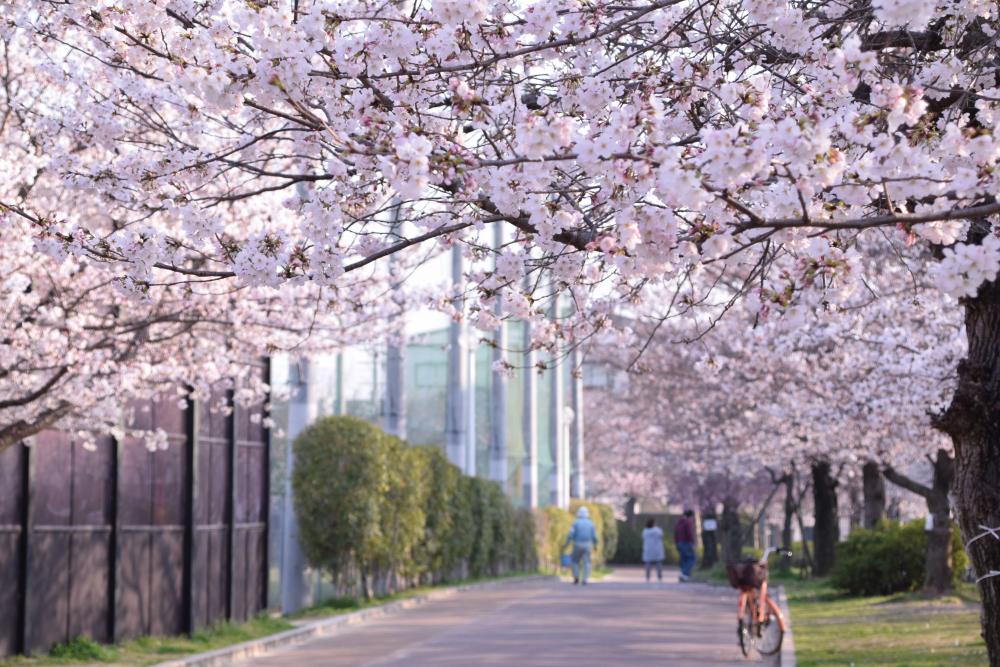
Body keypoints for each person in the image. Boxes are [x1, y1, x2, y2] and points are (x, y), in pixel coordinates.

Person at [564, 506, 598, 585]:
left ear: (578, 514)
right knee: (587, 562)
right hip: (588, 545)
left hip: (577, 545)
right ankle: (585, 579)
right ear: (587, 514)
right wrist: (595, 545)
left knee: (575, 561)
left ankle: (576, 576)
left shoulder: (575, 523)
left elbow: (570, 535)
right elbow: (594, 536)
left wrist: (567, 543)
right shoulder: (591, 523)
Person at [675, 508, 697, 581]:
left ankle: (682, 573)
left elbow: (675, 533)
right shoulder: (688, 522)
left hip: (679, 543)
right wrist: (692, 542)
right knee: (692, 559)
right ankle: (685, 574)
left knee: (683, 559)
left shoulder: (679, 522)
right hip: (686, 543)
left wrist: (676, 543)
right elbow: (689, 533)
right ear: (691, 516)